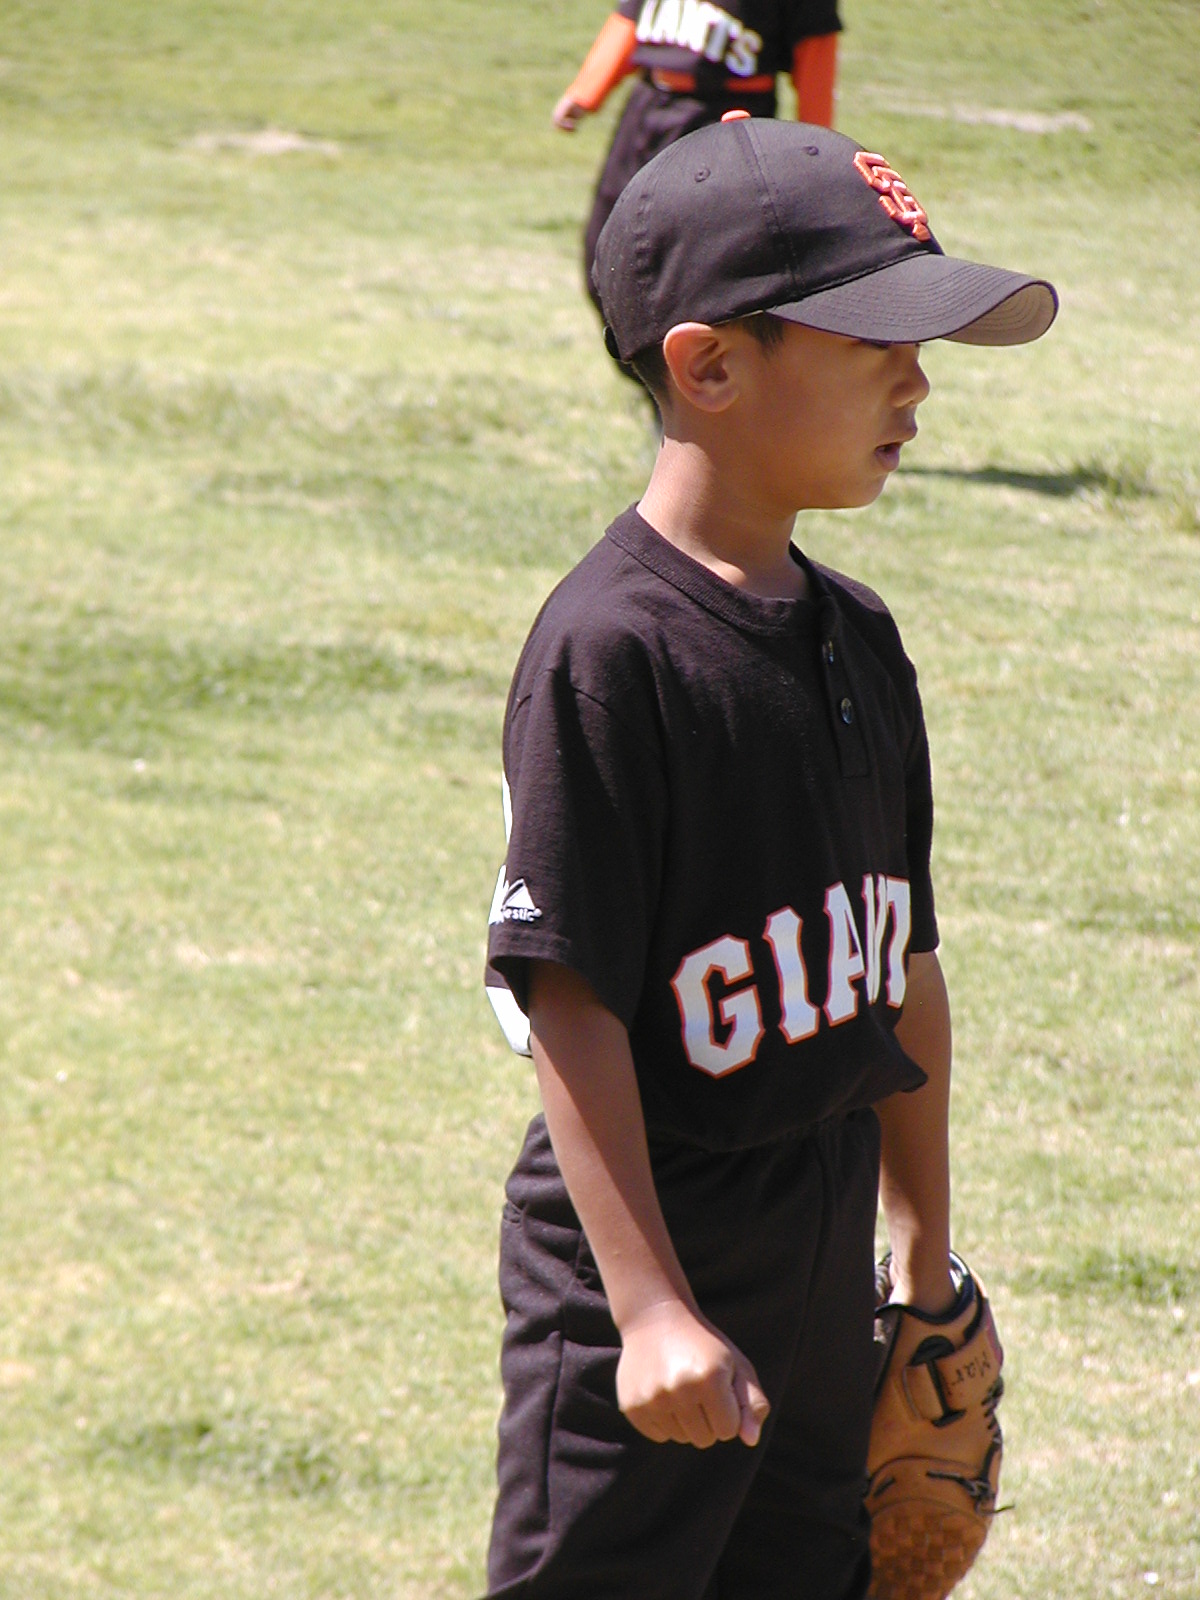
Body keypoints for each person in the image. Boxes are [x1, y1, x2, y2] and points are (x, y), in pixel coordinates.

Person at [483, 114, 1057, 1600]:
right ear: (710, 365)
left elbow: (902, 971)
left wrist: (921, 1265)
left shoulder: (858, 636)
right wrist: (648, 1310)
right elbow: (569, 1003)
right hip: (651, 1244)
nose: (917, 380)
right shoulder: (612, 650)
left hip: (824, 1241)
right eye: (876, 340)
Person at [553, 1, 842, 318]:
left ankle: (685, 344)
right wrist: (587, 90)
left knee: (696, 261)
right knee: (605, 248)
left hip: (729, 116)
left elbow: (816, 50)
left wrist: (813, 150)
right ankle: (639, 346)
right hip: (650, 104)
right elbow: (633, 16)